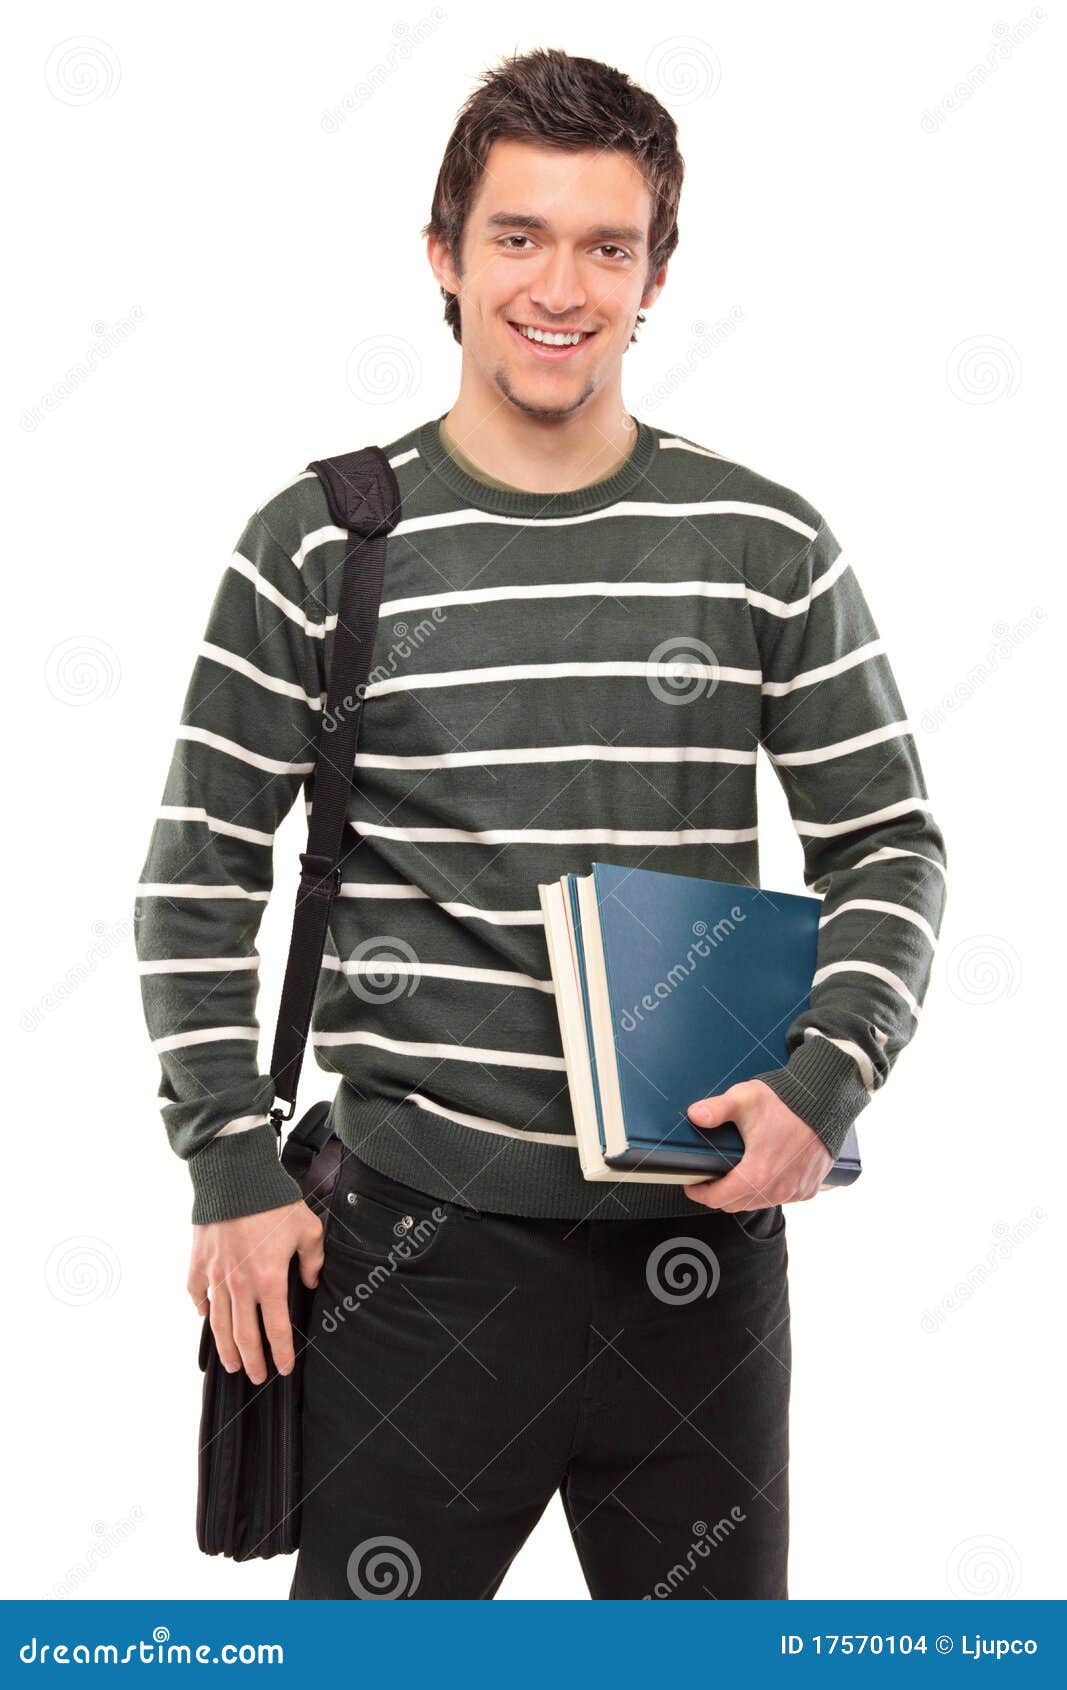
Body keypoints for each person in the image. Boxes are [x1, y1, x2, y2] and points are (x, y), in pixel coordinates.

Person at [134, 47, 948, 1600]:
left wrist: (825, 1078)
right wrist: (231, 1166)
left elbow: (891, 841)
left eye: (606, 245)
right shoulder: (316, 545)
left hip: (698, 1270)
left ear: (654, 276)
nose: (559, 285)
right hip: (412, 1262)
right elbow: (194, 887)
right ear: (443, 256)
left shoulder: (762, 539)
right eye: (517, 236)